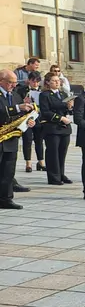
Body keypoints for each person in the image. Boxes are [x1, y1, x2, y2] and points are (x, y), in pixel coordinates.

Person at [0, 69, 36, 209]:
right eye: (10, 82)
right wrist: (17, 108)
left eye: (15, 83)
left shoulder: (15, 96)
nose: (14, 85)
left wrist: (28, 121)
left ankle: (6, 199)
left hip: (11, 138)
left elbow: (18, 116)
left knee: (8, 171)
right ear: (1, 81)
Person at [38, 72, 74, 186]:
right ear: (48, 82)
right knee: (53, 152)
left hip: (64, 127)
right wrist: (61, 118)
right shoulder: (45, 95)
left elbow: (68, 111)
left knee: (62, 152)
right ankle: (54, 176)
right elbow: (46, 112)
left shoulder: (63, 94)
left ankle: (61, 173)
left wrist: (70, 107)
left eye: (58, 80)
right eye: (54, 80)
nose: (57, 82)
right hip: (52, 127)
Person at [16, 71, 42, 173]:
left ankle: (41, 161)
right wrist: (23, 101)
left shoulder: (42, 91)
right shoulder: (22, 90)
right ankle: (28, 162)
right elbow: (17, 103)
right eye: (33, 81)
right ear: (29, 81)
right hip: (26, 118)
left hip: (37, 117)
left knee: (39, 140)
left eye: (37, 82)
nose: (35, 84)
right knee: (27, 140)